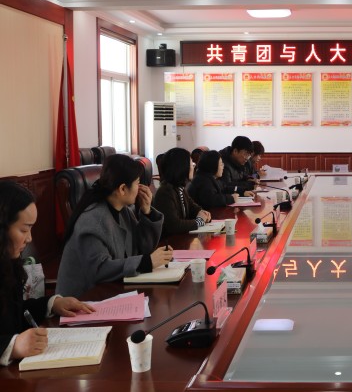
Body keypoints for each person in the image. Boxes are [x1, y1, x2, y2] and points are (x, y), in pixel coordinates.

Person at [1, 182, 94, 365]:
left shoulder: (7, 262)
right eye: (24, 229)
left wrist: (52, 304)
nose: (29, 238)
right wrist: (12, 346)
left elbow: (14, 313)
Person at [57, 155, 173, 298]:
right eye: (137, 183)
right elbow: (100, 269)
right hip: (84, 300)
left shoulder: (123, 211)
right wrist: (147, 262)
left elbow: (143, 248)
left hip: (113, 291)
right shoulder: (94, 220)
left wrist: (147, 212)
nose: (140, 188)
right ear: (123, 189)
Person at [153, 147, 211, 237]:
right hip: (170, 242)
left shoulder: (180, 188)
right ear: (182, 167)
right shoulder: (165, 192)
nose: (194, 166)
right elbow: (174, 225)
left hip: (181, 238)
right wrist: (199, 221)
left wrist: (202, 212)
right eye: (191, 163)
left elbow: (192, 207)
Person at [188, 150, 254, 208]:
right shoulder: (203, 181)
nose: (223, 166)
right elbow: (212, 200)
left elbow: (225, 188)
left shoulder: (210, 177)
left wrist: (243, 192)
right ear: (213, 166)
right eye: (221, 164)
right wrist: (231, 198)